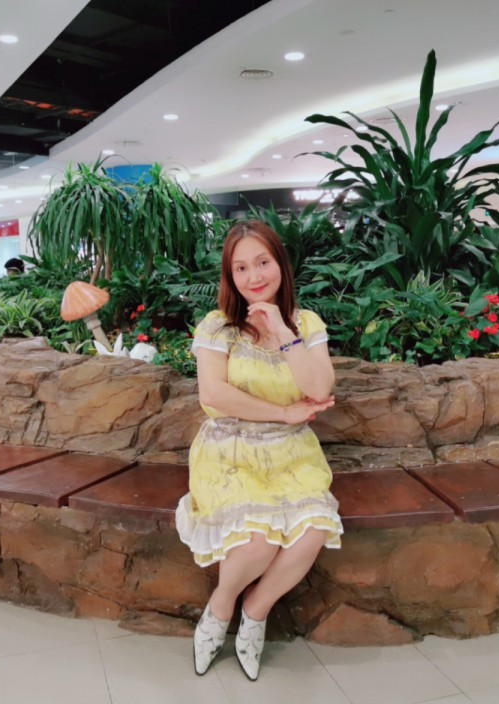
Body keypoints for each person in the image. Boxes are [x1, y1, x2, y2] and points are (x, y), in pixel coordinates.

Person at [176, 219, 342, 681]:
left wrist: (283, 331)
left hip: (292, 453)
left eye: (262, 262)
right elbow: (214, 394)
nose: (254, 276)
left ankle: (256, 610)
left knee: (312, 532)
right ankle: (220, 607)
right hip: (230, 449)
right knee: (258, 542)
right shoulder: (219, 326)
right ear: (230, 276)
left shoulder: (305, 324)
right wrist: (283, 412)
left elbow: (319, 387)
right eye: (241, 268)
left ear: (280, 264)